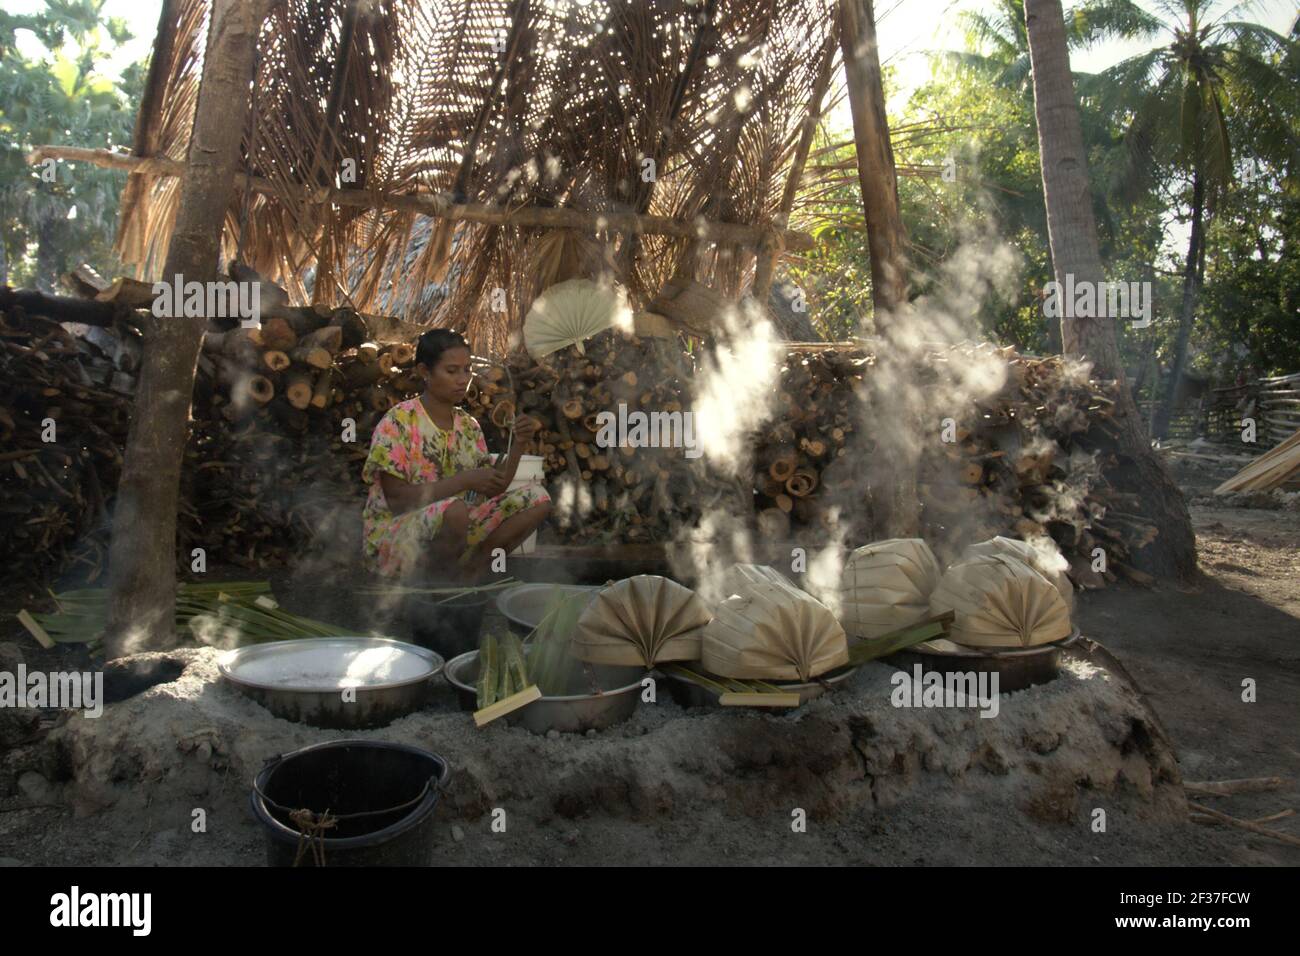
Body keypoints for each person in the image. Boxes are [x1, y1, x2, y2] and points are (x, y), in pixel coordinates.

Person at [361, 329, 551, 582]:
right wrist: (463, 481)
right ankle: (432, 582)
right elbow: (397, 500)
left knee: (538, 498)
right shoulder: (399, 421)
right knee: (456, 511)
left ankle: (470, 570)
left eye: (467, 370)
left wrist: (518, 445)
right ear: (424, 372)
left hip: (456, 524)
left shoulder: (468, 425)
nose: (463, 379)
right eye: (452, 371)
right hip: (396, 536)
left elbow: (495, 487)